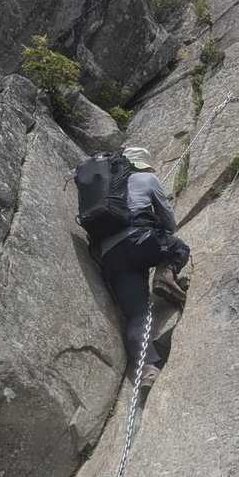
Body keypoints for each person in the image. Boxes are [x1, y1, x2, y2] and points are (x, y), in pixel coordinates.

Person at [95, 147, 190, 387]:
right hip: (140, 241)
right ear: (141, 165)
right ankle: (165, 276)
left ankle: (147, 369)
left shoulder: (103, 188)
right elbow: (170, 223)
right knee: (178, 247)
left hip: (111, 257)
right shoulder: (147, 178)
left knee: (137, 316)